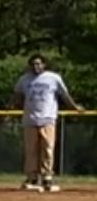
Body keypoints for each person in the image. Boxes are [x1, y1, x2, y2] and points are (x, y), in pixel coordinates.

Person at [12, 54, 79, 193]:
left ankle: (47, 176)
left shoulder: (53, 78)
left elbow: (64, 95)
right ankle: (32, 177)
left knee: (47, 148)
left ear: (44, 64)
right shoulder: (24, 79)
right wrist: (14, 105)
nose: (36, 67)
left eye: (39, 64)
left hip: (47, 118)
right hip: (30, 119)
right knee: (31, 150)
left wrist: (74, 107)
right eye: (33, 64)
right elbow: (17, 95)